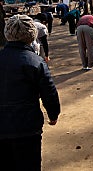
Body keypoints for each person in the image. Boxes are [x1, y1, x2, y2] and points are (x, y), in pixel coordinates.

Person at [0, 14, 60, 170]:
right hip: (27, 127)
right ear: (32, 35)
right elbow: (49, 92)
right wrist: (53, 114)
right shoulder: (35, 61)